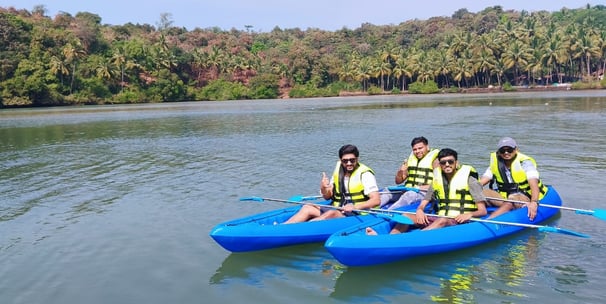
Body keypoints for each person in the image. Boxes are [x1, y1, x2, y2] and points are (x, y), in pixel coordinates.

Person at [367, 148, 487, 234]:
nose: (447, 165)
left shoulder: (470, 180)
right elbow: (424, 203)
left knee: (443, 220)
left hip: (459, 221)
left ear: (456, 163)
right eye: (443, 163)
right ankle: (390, 239)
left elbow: (482, 211)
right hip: (439, 217)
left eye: (450, 162)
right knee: (406, 216)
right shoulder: (437, 180)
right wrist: (419, 210)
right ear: (439, 165)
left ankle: (412, 240)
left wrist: (469, 214)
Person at [283, 144, 380, 223]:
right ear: (341, 160)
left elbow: (376, 200)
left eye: (352, 160)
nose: (349, 163)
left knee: (331, 214)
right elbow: (327, 197)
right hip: (338, 208)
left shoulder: (365, 174)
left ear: (357, 159)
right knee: (307, 207)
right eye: (345, 161)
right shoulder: (339, 170)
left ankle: (301, 228)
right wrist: (324, 188)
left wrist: (354, 207)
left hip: (358, 212)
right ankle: (283, 227)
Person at [479, 137, 548, 221]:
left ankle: (489, 221)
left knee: (512, 199)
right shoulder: (495, 164)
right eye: (502, 151)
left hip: (524, 196)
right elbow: (482, 181)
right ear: (499, 152)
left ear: (516, 150)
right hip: (504, 197)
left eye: (509, 150)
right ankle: (475, 213)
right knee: (479, 192)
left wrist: (534, 202)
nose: (506, 153)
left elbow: (533, 183)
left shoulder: (525, 163)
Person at [380, 136, 439, 210]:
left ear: (427, 147)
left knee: (410, 194)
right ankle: (371, 208)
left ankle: (388, 212)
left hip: (426, 193)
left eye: (420, 148)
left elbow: (438, 184)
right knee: (387, 191)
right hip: (409, 189)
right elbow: (398, 181)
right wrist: (400, 171)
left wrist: (417, 188)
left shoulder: (436, 161)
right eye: (415, 149)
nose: (417, 151)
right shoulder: (410, 160)